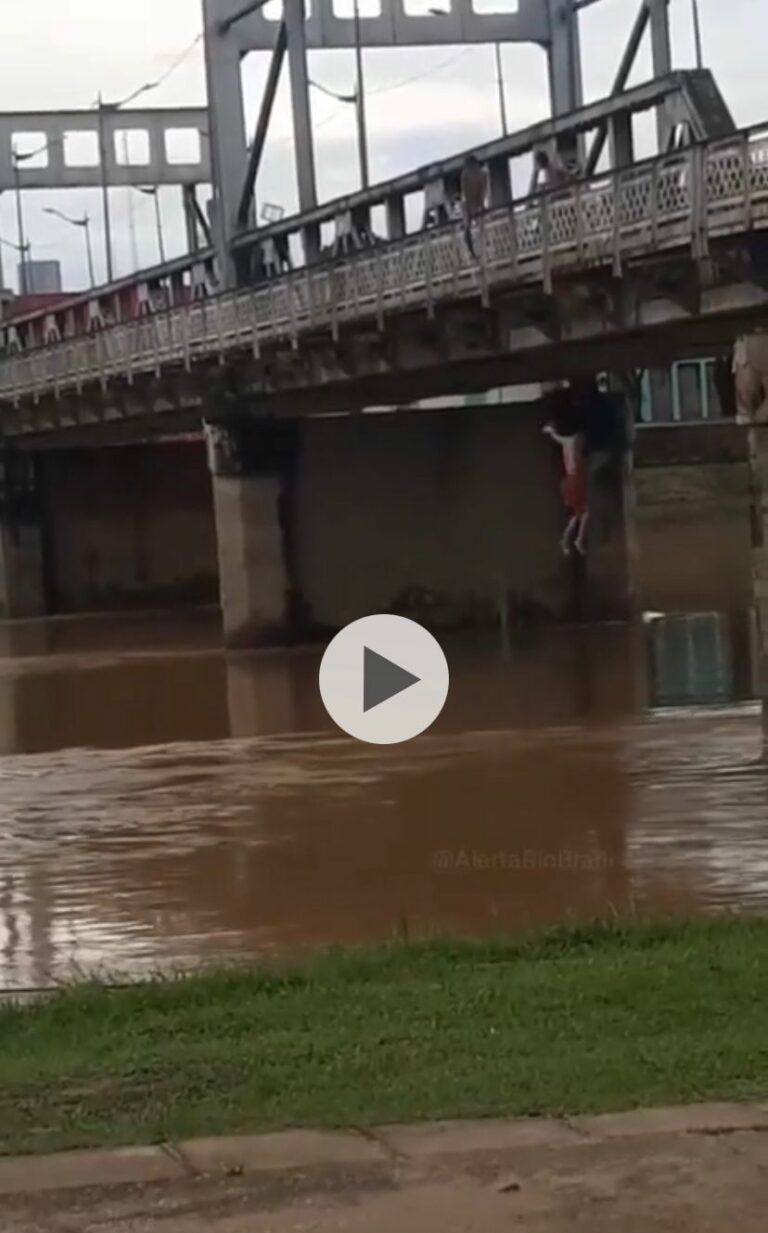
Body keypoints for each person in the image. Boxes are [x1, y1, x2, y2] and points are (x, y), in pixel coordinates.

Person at [543, 389, 589, 556]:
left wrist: (551, 432)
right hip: (573, 479)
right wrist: (551, 431)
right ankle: (571, 541)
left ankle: (570, 540)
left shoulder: (571, 443)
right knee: (582, 514)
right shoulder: (572, 443)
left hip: (572, 479)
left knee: (580, 514)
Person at [460, 154, 487, 259]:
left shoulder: (467, 174)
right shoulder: (479, 174)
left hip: (471, 204)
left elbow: (466, 191)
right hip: (470, 204)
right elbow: (466, 192)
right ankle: (473, 252)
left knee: (472, 228)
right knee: (469, 227)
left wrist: (478, 205)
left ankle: (474, 252)